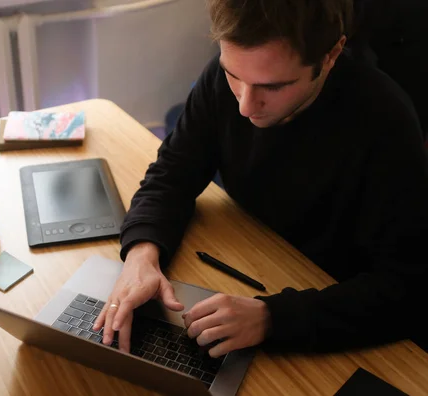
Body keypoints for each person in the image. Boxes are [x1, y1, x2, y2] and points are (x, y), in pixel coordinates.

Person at [92, 0, 428, 355]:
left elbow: (408, 287)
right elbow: (172, 172)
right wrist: (141, 257)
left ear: (331, 56)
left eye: (273, 87)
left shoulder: (385, 122)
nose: (245, 107)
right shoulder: (220, 81)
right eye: (233, 76)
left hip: (333, 316)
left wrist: (272, 319)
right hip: (256, 261)